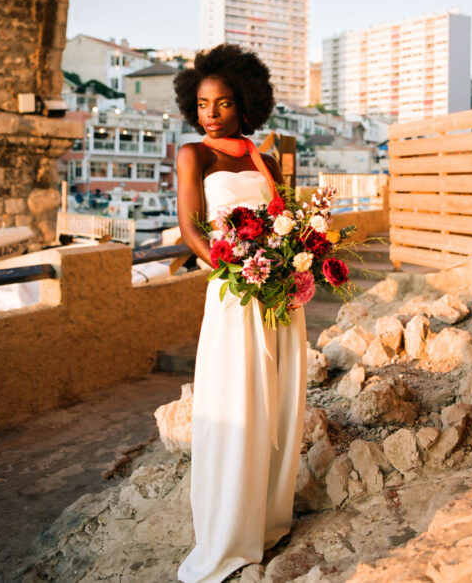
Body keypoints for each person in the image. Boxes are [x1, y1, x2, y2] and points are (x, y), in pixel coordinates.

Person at [174, 44, 307, 583]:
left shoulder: (264, 159)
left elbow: (287, 222)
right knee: (237, 404)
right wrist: (232, 267)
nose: (211, 113)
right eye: (204, 103)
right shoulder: (193, 155)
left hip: (278, 299)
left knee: (276, 406)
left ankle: (268, 520)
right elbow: (190, 228)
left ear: (245, 104)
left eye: (223, 103)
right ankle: (229, 534)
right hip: (233, 295)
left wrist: (292, 260)